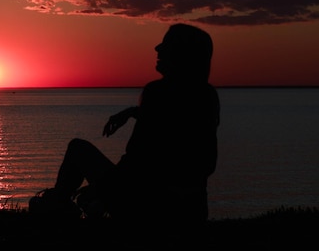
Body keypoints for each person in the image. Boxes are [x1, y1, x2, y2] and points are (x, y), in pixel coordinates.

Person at [29, 23, 220, 230]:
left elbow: (137, 160)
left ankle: (59, 206)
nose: (158, 49)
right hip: (191, 213)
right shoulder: (207, 96)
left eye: (166, 44)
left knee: (78, 148)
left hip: (148, 210)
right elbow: (180, 132)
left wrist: (100, 189)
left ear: (183, 54)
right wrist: (133, 112)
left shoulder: (157, 92)